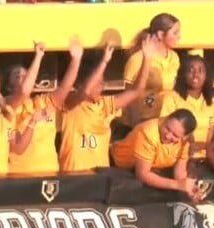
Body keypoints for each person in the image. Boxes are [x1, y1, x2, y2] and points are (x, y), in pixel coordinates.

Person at [110, 108, 199, 228]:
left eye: (175, 135)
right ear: (165, 119)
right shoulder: (148, 132)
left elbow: (179, 172)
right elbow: (143, 174)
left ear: (185, 137)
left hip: (157, 174)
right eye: (167, 128)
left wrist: (189, 190)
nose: (168, 136)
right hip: (121, 172)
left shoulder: (185, 143)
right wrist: (178, 185)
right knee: (147, 225)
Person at [60, 39, 148, 172]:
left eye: (101, 83)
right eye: (96, 84)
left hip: (100, 175)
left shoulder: (105, 104)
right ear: (79, 85)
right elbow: (86, 91)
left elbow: (136, 91)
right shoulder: (71, 104)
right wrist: (104, 62)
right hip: (74, 175)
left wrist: (147, 58)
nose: (100, 88)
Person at [5, 40, 79, 176]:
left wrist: (76, 59)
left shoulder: (42, 101)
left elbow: (65, 88)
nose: (24, 78)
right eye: (17, 76)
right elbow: (24, 91)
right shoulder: (8, 104)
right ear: (9, 86)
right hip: (19, 175)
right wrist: (38, 57)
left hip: (49, 173)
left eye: (26, 74)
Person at [118, 13, 182, 137]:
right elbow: (129, 95)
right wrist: (136, 126)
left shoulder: (174, 58)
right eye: (175, 33)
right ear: (161, 34)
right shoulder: (138, 59)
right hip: (141, 120)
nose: (179, 37)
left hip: (164, 121)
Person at [160, 54, 214, 161]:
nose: (196, 75)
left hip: (204, 158)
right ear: (183, 74)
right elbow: (166, 131)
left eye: (200, 71)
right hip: (177, 158)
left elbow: (209, 138)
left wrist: (202, 147)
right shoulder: (172, 98)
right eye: (191, 70)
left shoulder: (211, 102)